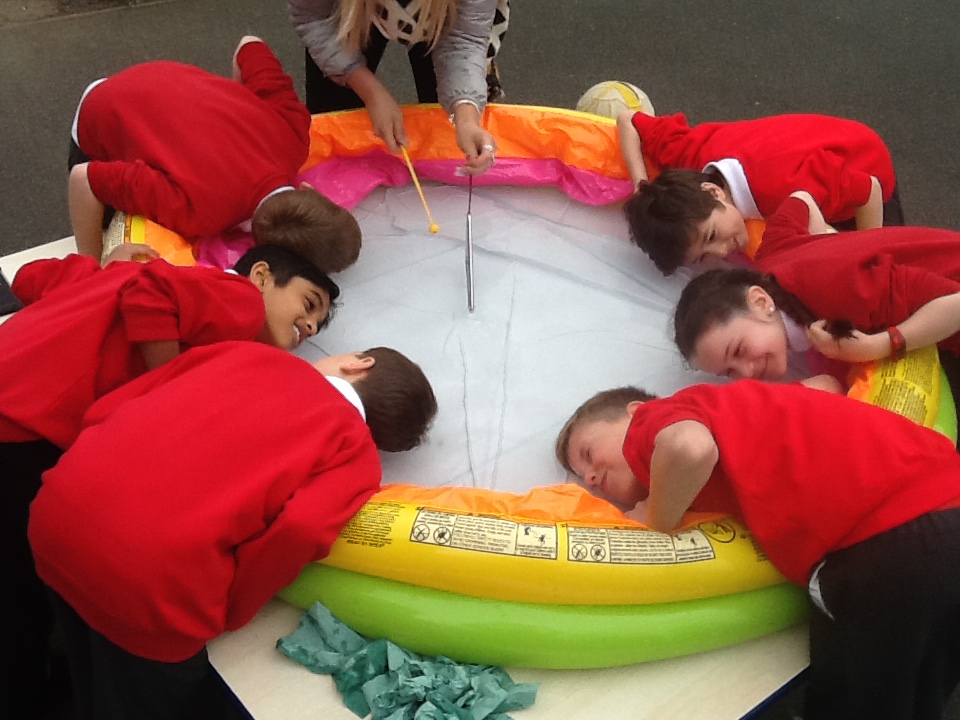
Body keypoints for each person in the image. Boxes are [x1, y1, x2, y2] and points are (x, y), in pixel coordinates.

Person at [0, 243, 338, 715]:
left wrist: (104, 268)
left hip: (15, 406)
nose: (311, 326)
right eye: (309, 303)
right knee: (19, 604)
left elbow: (31, 278)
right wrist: (169, 389)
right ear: (261, 275)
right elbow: (151, 293)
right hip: (25, 430)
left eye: (318, 324)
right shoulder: (239, 298)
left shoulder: (137, 278)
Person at [29, 339, 437, 720]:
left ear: (358, 363)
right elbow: (300, 530)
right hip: (149, 588)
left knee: (79, 648)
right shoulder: (356, 457)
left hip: (57, 511)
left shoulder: (249, 353)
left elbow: (117, 403)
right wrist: (232, 609)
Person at [555, 382, 960, 720]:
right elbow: (822, 386)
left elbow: (689, 448)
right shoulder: (740, 408)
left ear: (634, 410)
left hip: (891, 540)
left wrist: (656, 516)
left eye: (588, 454)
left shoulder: (657, 419)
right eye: (582, 476)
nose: (590, 478)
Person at [68, 35, 361, 272]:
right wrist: (90, 268)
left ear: (310, 190)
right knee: (107, 227)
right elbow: (83, 179)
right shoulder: (197, 213)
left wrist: (232, 110)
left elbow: (250, 44)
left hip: (156, 75)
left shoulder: (294, 135)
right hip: (98, 110)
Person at [671, 192, 960, 400]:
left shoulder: (842, 294)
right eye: (729, 372)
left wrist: (877, 346)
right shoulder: (771, 255)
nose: (746, 373)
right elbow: (801, 198)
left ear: (760, 301)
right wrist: (834, 241)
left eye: (737, 351)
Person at [616, 110, 901, 275]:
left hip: (866, 164)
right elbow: (628, 119)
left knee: (886, 273)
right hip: (816, 144)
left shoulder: (785, 187)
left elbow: (870, 190)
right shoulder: (686, 156)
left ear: (714, 192)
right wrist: (642, 188)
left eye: (711, 236)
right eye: (702, 257)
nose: (721, 252)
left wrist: (867, 255)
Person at [289, 0, 500, 174]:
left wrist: (466, 117)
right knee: (334, 121)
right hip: (345, 13)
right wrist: (370, 91)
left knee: (445, 134)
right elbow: (312, 18)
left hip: (442, 15)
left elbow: (463, 40)